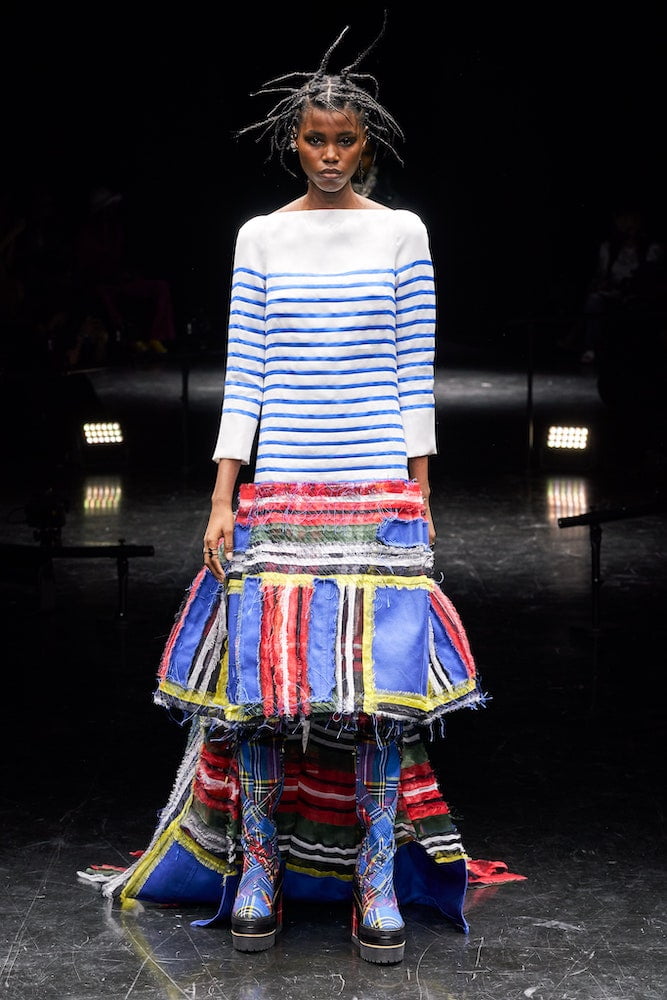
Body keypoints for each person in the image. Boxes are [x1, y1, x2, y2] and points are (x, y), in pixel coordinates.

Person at [83, 21, 485, 965]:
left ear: (366, 143)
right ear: (292, 142)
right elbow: (248, 370)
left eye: (345, 140)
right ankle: (258, 869)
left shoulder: (401, 231)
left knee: (377, 695)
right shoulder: (260, 237)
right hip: (283, 486)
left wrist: (419, 489)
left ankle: (374, 879)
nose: (330, 154)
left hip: (374, 483)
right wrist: (223, 495)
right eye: (315, 139)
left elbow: (412, 366)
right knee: (263, 692)